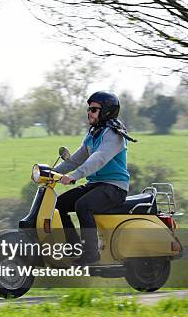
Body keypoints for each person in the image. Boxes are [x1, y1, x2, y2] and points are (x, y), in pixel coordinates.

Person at [54, 91, 137, 265]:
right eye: (88, 109)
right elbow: (75, 159)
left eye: (94, 109)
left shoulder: (114, 134)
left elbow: (98, 158)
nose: (89, 112)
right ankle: (73, 246)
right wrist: (51, 173)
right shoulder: (93, 134)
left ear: (106, 111)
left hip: (114, 187)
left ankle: (91, 254)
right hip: (96, 184)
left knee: (83, 205)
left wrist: (74, 176)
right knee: (59, 204)